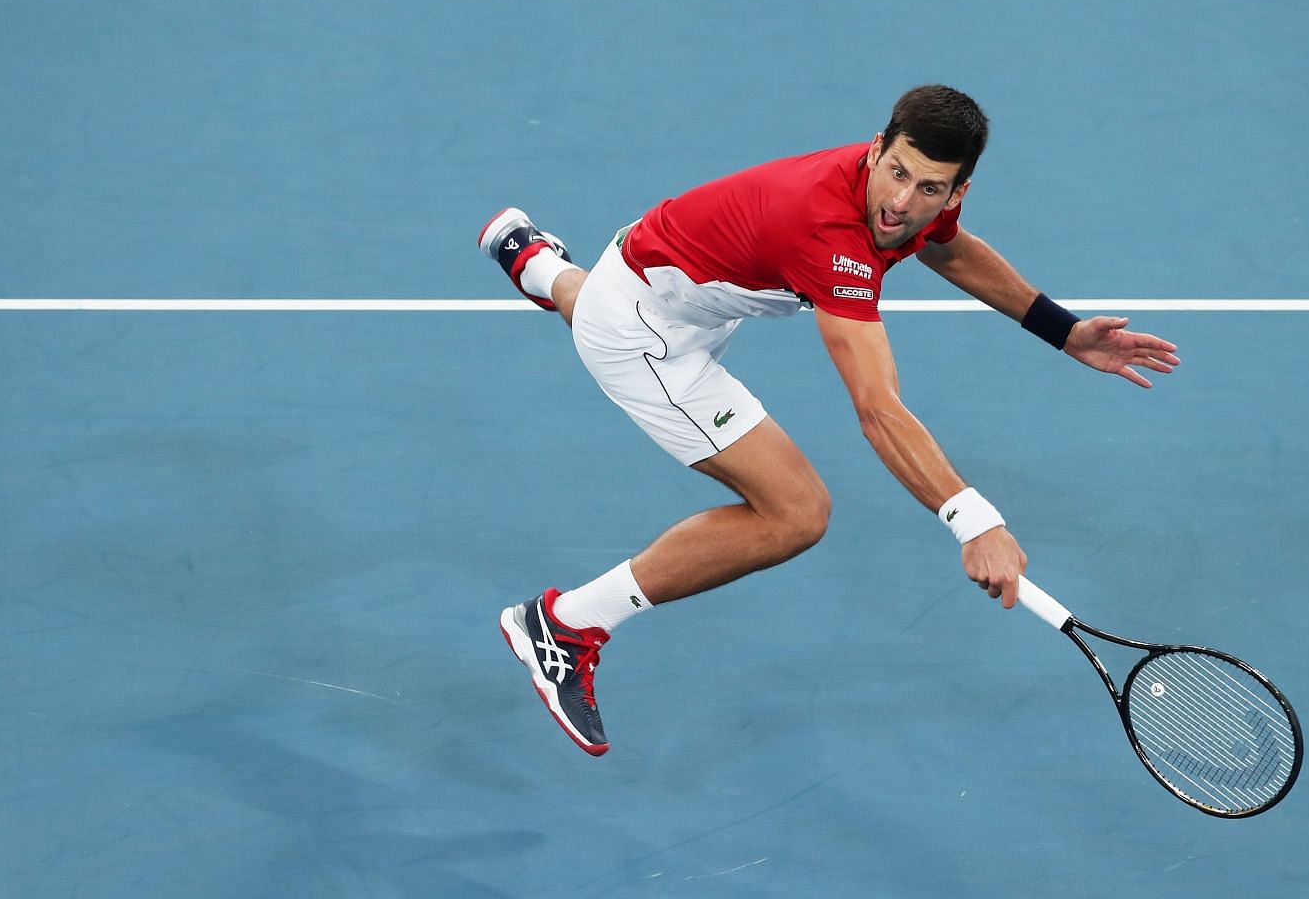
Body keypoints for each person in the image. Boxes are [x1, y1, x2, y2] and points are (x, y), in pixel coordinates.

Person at [482, 85, 1179, 756]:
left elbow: (946, 247)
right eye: (897, 173)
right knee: (795, 513)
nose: (902, 202)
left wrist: (1062, 330)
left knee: (603, 295)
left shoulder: (905, 194)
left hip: (653, 264)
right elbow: (877, 409)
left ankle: (536, 264)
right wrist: (976, 521)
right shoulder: (830, 235)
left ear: (957, 191)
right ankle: (566, 625)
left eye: (930, 188)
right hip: (649, 340)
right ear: (877, 148)